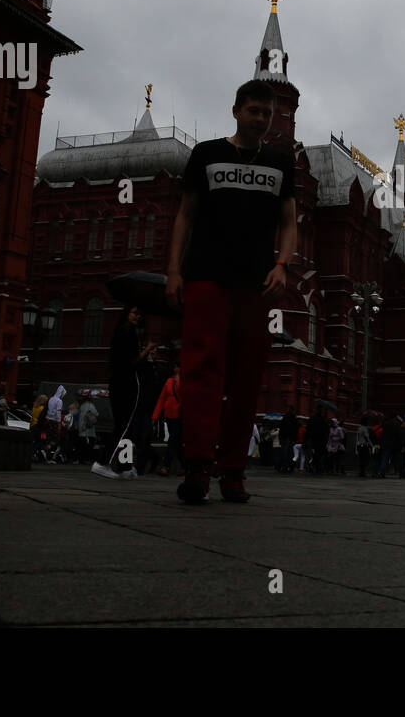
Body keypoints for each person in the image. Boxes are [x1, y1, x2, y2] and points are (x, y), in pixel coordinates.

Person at [165, 80, 297, 504]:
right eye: (253, 110)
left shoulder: (281, 162)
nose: (260, 119)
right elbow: (185, 215)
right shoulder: (206, 154)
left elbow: (290, 223)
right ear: (236, 111)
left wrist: (282, 265)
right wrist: (173, 271)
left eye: (267, 113)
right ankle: (198, 468)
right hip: (205, 275)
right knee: (202, 372)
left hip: (255, 284)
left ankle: (234, 471)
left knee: (246, 378)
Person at [93, 306, 155, 480]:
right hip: (126, 384)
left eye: (139, 313)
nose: (138, 316)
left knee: (126, 427)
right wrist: (147, 348)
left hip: (120, 383)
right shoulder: (128, 331)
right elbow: (133, 362)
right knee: (124, 426)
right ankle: (102, 462)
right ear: (126, 313)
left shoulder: (121, 331)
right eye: (134, 312)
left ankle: (125, 465)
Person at [152, 365, 182, 476]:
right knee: (176, 441)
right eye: (176, 366)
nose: (176, 369)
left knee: (173, 440)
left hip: (180, 415)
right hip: (169, 415)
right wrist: (155, 415)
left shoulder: (186, 381)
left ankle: (166, 466)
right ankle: (185, 466)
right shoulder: (169, 381)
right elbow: (162, 398)